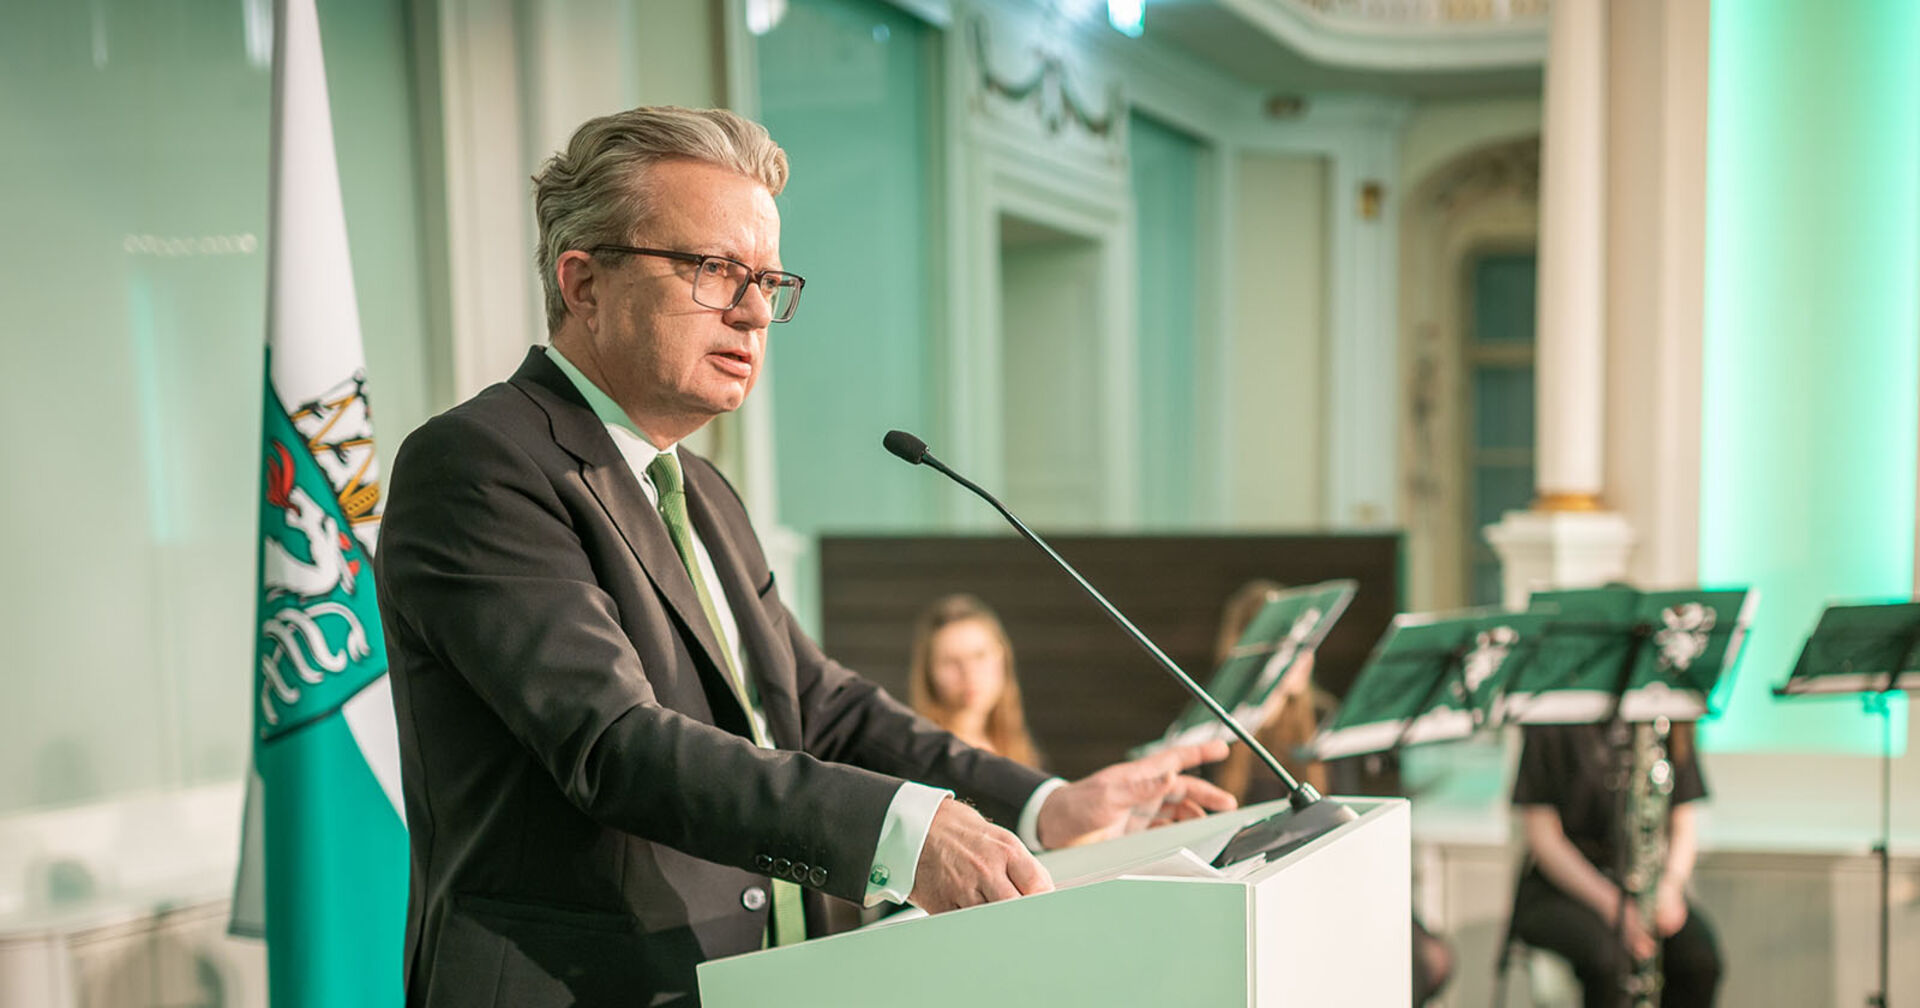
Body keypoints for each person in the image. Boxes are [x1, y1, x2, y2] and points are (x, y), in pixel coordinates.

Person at [375, 105, 1234, 1008]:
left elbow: (822, 707)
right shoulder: (480, 464)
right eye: (713, 270)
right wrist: (905, 833)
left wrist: (1046, 805)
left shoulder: (703, 491)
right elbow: (616, 745)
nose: (754, 313)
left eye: (767, 280)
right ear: (584, 283)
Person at [1209, 579, 1453, 1006]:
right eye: (1288, 647)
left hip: (1330, 881)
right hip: (1263, 898)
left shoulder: (1323, 721)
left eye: (1307, 645)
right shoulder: (1215, 732)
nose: (1303, 658)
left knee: (1431, 959)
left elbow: (1348, 826)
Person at [1510, 721, 1723, 1007]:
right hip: (1562, 888)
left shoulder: (1666, 718)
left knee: (1697, 960)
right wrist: (1614, 907)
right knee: (1609, 963)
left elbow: (1684, 827)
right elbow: (1544, 839)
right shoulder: (1551, 720)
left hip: (1643, 885)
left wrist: (1671, 887)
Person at [908, 594, 1041, 767]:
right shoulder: (922, 757)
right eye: (950, 661)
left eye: (979, 655)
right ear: (929, 673)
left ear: (1003, 657)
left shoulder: (1020, 749)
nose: (969, 673)